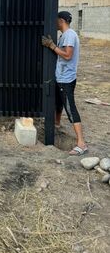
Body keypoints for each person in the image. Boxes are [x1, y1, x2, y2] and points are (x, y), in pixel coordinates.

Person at [42, 11, 88, 155]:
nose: (54, 23)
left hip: (66, 79)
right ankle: (56, 123)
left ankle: (81, 143)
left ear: (61, 20)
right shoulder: (65, 35)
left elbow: (67, 55)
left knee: (70, 108)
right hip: (62, 77)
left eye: (56, 20)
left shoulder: (69, 35)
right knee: (59, 103)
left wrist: (52, 46)